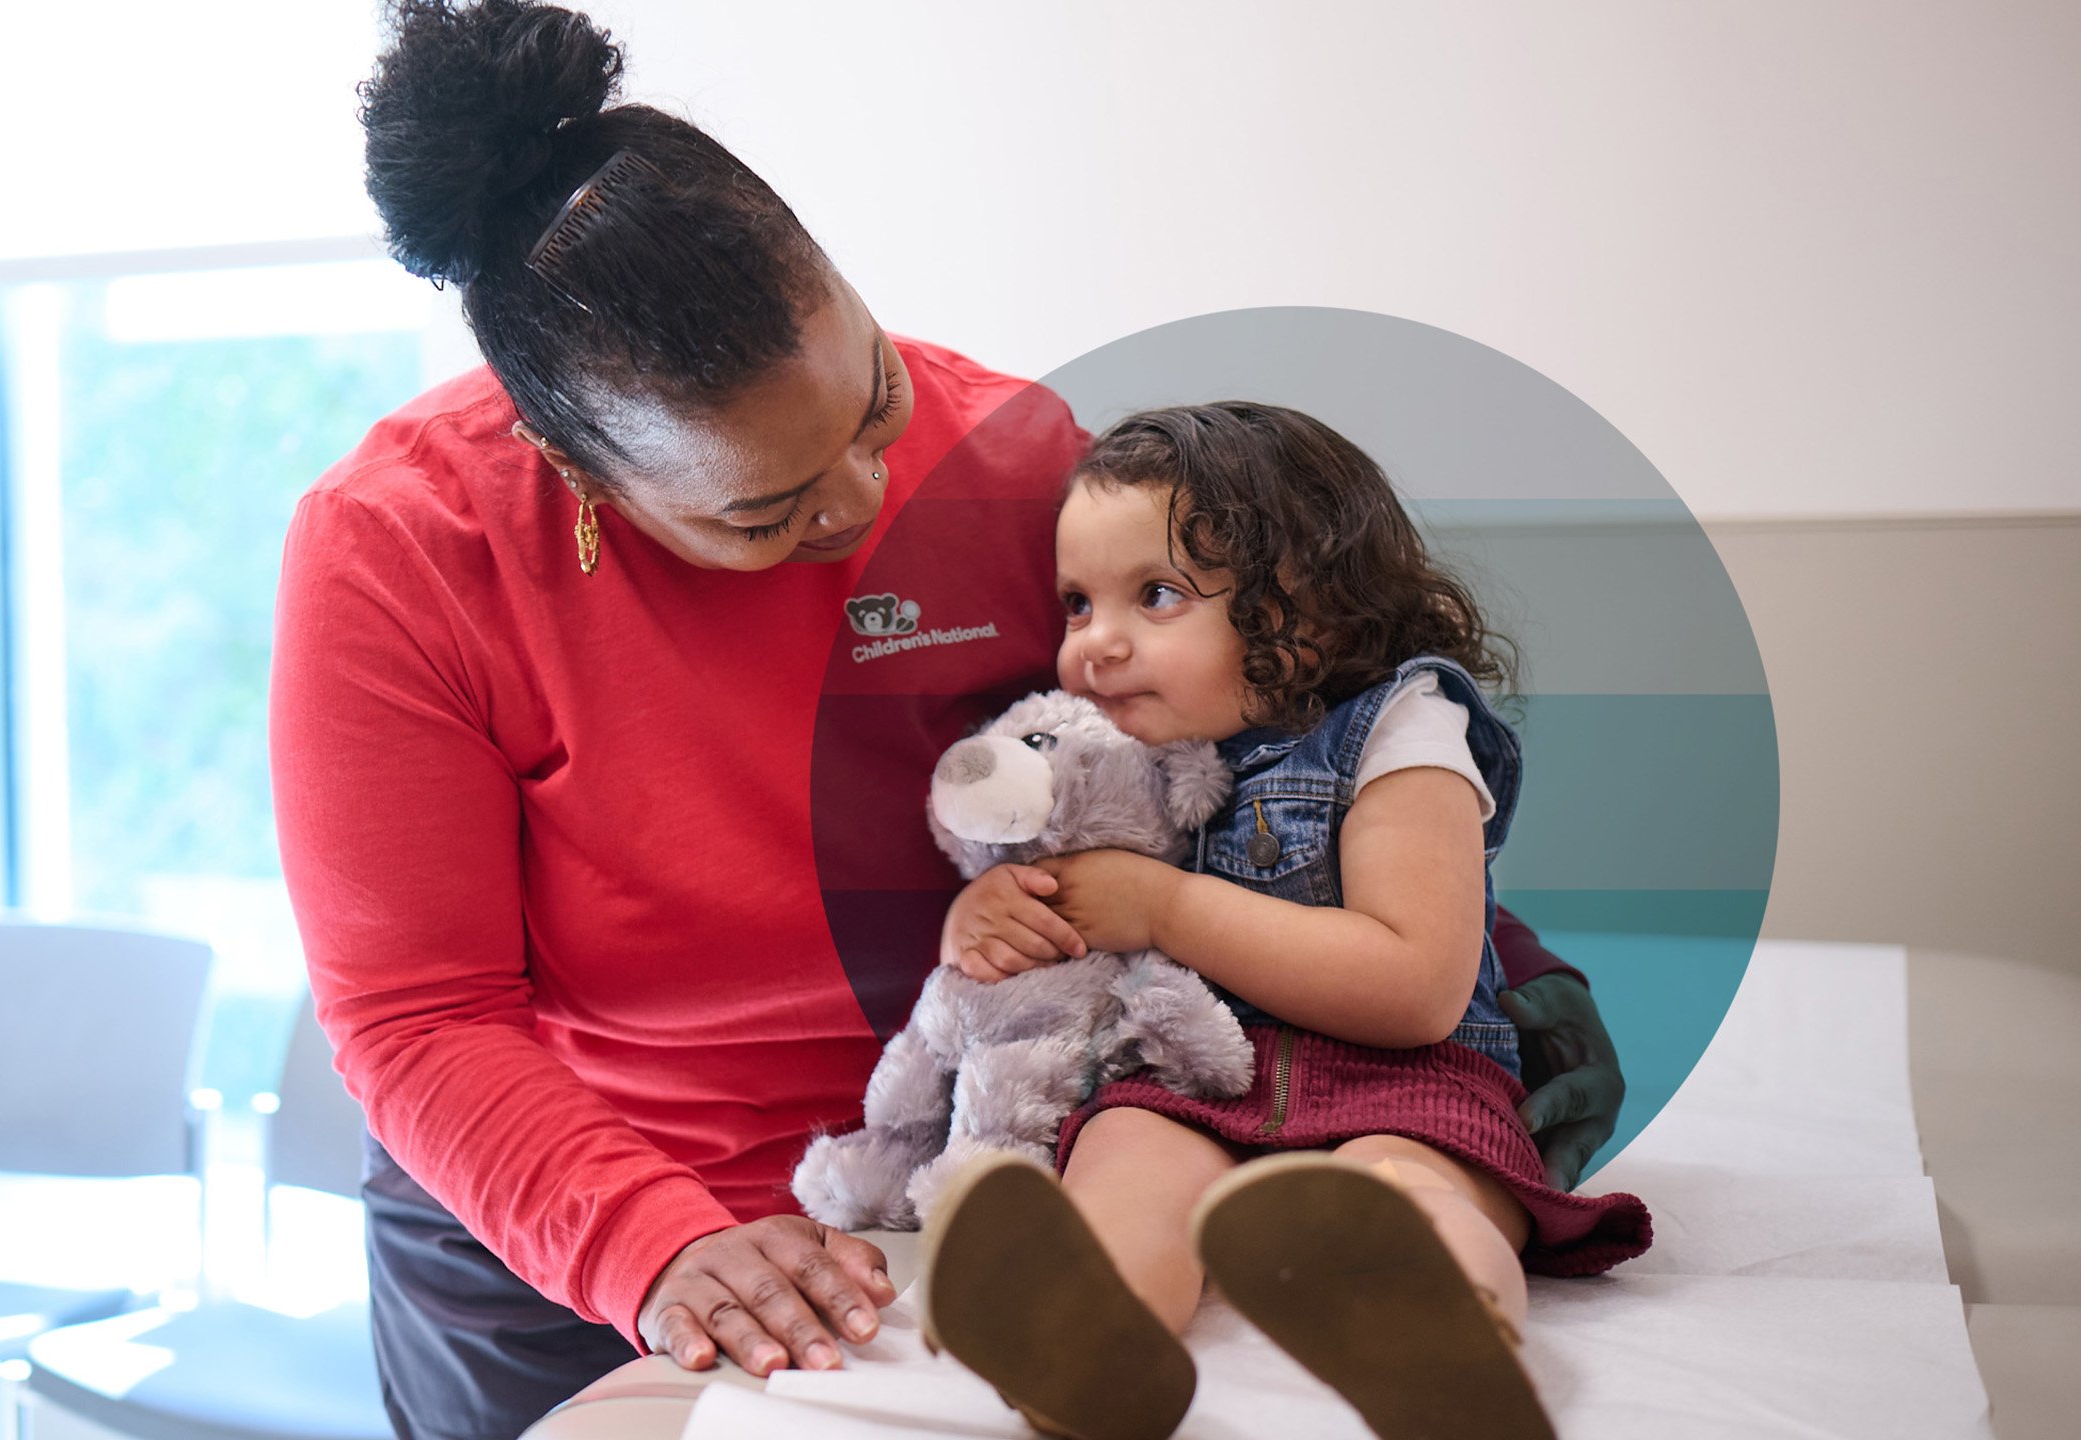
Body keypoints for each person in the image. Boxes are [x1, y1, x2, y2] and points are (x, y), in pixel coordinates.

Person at [269, 4, 1627, 1437]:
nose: (860, 502)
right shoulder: (398, 554)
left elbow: (1247, 750)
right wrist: (648, 1243)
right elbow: (419, 1012)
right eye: (764, 513)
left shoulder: (1019, 460)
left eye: (873, 399)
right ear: (570, 463)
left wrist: (1451, 980)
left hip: (977, 1127)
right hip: (576, 1194)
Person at [917, 402, 1654, 1440]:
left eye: (1156, 595)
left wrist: (1163, 904)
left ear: (1315, 616)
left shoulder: (1399, 732)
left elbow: (1415, 989)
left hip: (1402, 1082)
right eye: (1077, 604)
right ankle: (1084, 1344)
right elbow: (1040, 935)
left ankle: (1443, 1340)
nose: (1095, 645)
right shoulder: (1110, 766)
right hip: (1185, 1079)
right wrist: (986, 920)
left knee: (1405, 1189)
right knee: (1123, 1151)